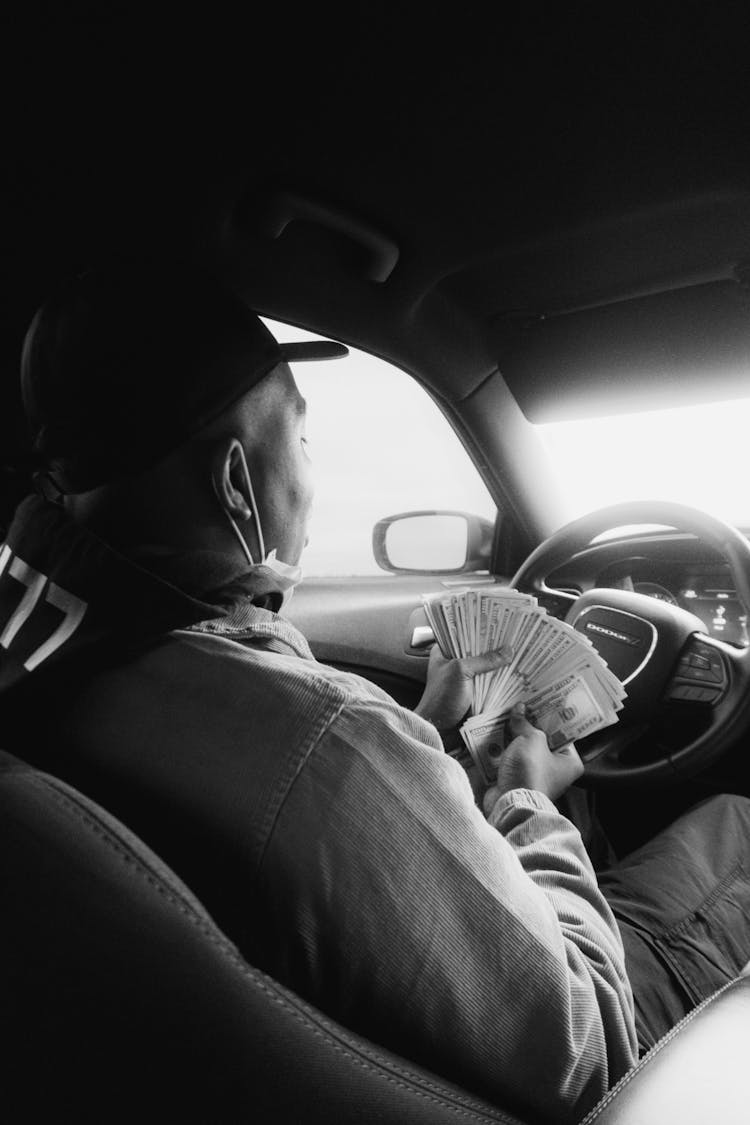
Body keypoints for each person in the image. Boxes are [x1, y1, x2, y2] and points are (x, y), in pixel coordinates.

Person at [2, 259, 750, 1124]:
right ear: (237, 483)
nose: (313, 473)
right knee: (735, 823)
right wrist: (523, 797)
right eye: (307, 441)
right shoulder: (325, 739)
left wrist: (421, 735)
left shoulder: (44, 656)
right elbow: (595, 1053)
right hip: (602, 1059)